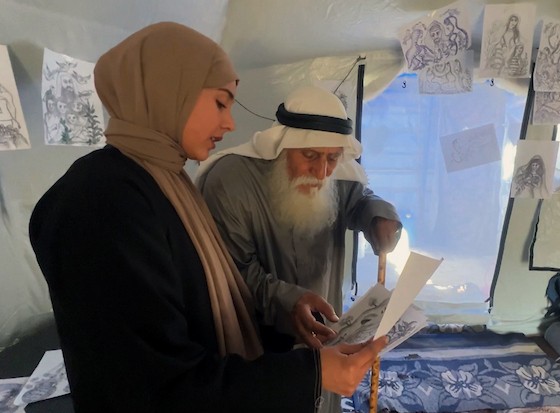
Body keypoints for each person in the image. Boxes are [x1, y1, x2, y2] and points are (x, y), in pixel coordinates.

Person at [28, 22, 387, 413]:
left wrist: (289, 308)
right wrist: (310, 374)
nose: (231, 123)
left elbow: (201, 312)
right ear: (169, 91)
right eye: (220, 103)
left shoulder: (166, 181)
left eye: (332, 159)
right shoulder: (101, 203)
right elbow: (155, 388)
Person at [196, 85, 400, 413]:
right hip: (256, 348)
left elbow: (360, 198)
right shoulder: (230, 181)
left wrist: (377, 215)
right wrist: (289, 302)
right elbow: (231, 272)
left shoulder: (336, 175)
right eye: (310, 156)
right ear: (285, 145)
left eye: (332, 158)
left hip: (324, 336)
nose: (321, 173)